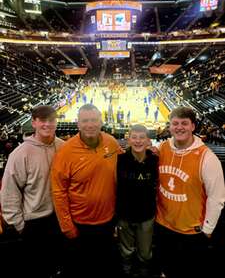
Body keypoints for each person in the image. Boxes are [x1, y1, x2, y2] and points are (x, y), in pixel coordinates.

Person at [50, 103, 122, 278]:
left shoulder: (111, 143)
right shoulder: (65, 152)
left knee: (104, 265)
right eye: (85, 121)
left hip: (108, 221)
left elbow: (126, 160)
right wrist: (67, 226)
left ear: (101, 121)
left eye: (94, 120)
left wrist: (149, 151)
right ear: (78, 124)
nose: (90, 125)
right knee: (81, 268)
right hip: (80, 224)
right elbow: (58, 192)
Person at [155, 106, 225, 278]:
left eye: (184, 123)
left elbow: (217, 198)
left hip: (191, 231)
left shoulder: (207, 158)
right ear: (169, 126)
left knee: (187, 270)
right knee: (165, 267)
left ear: (193, 126)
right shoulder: (161, 148)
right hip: (163, 224)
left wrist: (207, 230)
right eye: (175, 123)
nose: (179, 127)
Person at [1, 105, 64, 278]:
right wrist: (19, 225)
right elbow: (9, 193)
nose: (47, 124)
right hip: (34, 223)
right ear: (34, 123)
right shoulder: (20, 154)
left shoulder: (64, 148)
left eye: (51, 120)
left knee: (59, 265)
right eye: (42, 120)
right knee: (37, 269)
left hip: (61, 220)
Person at [116, 124, 158, 277]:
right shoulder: (119, 159)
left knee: (145, 253)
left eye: (142, 138)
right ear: (128, 140)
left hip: (147, 215)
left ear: (148, 141)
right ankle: (126, 270)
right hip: (124, 214)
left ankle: (143, 270)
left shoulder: (156, 160)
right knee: (126, 250)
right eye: (134, 137)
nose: (138, 141)